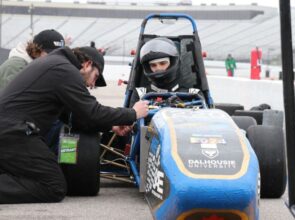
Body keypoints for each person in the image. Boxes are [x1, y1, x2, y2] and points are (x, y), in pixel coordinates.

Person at [0, 46, 149, 204]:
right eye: (95, 77)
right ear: (87, 64)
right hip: (14, 133)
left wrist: (111, 126)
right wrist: (132, 113)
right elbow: (92, 111)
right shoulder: (65, 71)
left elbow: (73, 116)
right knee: (54, 186)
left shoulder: (55, 65)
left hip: (11, 131)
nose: (92, 85)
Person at [129, 37, 201, 106]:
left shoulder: (194, 94)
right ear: (148, 67)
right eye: (153, 65)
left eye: (163, 63)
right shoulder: (140, 94)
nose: (158, 68)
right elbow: (132, 117)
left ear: (172, 63)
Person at [0, 29, 65, 92]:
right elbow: (10, 99)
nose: (56, 58)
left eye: (59, 54)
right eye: (51, 53)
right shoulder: (15, 66)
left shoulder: (40, 65)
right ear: (36, 50)